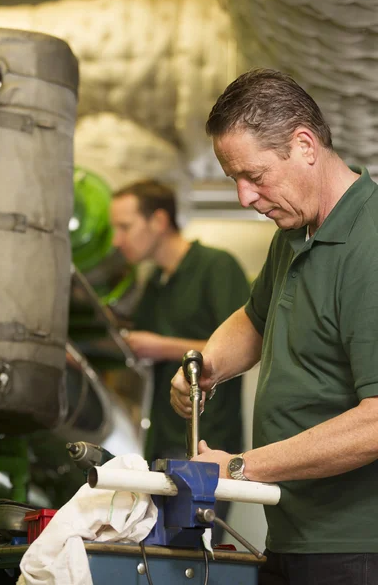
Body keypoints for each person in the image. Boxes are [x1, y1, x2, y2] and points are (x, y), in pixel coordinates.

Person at [170, 68, 378, 585]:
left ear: (304, 144)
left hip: (356, 547)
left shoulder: (370, 244)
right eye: (233, 180)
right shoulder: (294, 233)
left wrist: (239, 467)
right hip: (291, 534)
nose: (245, 197)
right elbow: (253, 318)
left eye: (255, 176)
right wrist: (209, 365)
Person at [111, 180, 250, 468]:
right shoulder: (154, 283)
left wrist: (161, 347)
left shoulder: (216, 267)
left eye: (125, 227)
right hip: (159, 438)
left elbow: (247, 345)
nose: (116, 240)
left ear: (159, 221)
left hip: (206, 444)